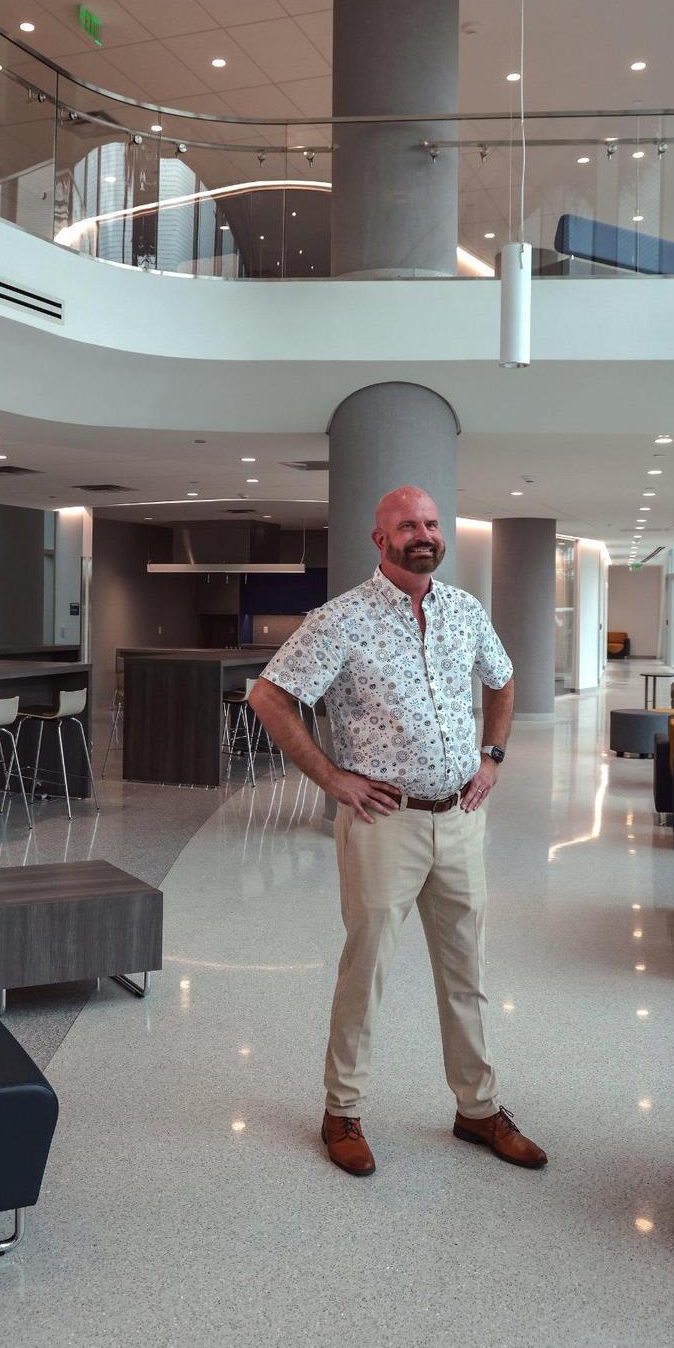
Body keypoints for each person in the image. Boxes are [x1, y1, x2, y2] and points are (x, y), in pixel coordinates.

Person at [248, 485, 547, 1178]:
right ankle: (342, 1110)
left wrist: (492, 758)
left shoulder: (463, 611)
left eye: (433, 523)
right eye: (408, 524)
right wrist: (332, 779)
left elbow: (502, 679)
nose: (425, 534)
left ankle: (478, 1108)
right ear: (379, 540)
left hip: (461, 818)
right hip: (384, 822)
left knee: (466, 970)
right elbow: (269, 696)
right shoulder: (340, 620)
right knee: (368, 970)